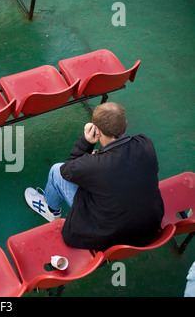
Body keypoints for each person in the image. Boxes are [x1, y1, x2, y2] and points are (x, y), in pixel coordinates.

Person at [24, 102, 164, 251]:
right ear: (125, 124)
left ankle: (51, 210)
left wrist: (86, 142)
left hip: (108, 237)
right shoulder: (145, 144)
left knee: (56, 171)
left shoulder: (93, 165)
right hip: (149, 229)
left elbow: (67, 171)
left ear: (96, 129)